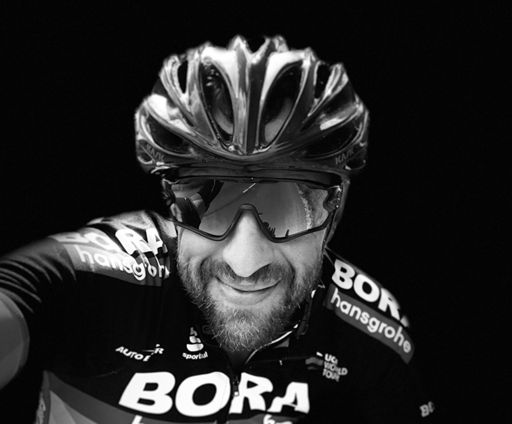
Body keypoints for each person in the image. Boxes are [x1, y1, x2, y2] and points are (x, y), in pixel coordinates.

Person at [0, 35, 436, 423]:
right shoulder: (100, 280)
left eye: (287, 208)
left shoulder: (369, 338)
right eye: (211, 205)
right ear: (174, 205)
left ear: (333, 213)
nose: (245, 263)